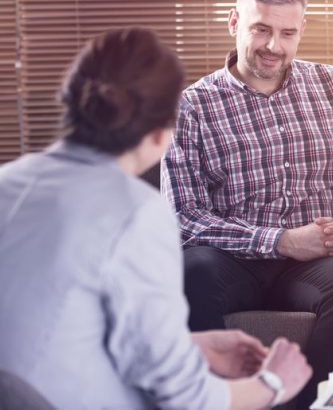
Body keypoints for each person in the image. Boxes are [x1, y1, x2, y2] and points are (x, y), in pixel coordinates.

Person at [0, 27, 311, 409]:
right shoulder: (137, 213)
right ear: (165, 131)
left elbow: (63, 331)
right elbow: (188, 400)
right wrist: (274, 383)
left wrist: (188, 348)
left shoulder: (8, 182)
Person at [160, 0, 333, 407]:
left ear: (302, 28)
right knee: (192, 271)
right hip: (233, 259)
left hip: (318, 265)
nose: (274, 46)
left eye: (288, 32)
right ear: (234, 22)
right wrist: (282, 241)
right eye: (261, 29)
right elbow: (183, 217)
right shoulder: (192, 106)